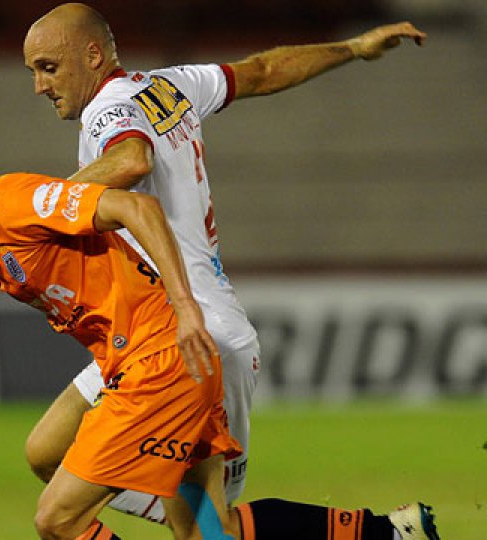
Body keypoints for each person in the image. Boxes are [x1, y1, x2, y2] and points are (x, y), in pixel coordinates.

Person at [0, 117, 438, 540]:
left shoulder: (12, 205)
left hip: (159, 365)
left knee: (58, 518)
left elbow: (138, 210)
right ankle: (392, 532)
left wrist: (187, 307)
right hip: (156, 364)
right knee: (209, 533)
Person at [22, 1, 429, 529]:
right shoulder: (170, 86)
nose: (38, 85)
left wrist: (35, 208)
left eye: (47, 67)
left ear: (93, 54)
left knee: (208, 527)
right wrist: (352, 48)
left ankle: (383, 532)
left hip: (193, 342)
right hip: (149, 337)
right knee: (47, 454)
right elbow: (259, 72)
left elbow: (131, 159)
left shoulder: (107, 111)